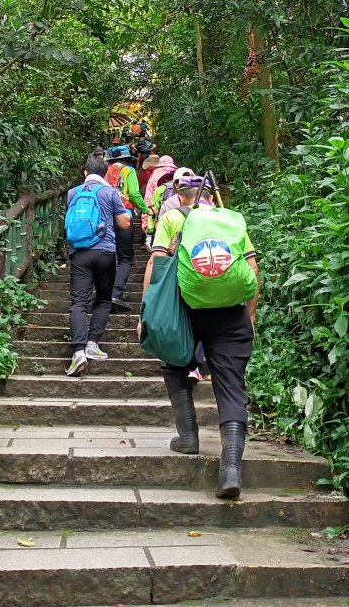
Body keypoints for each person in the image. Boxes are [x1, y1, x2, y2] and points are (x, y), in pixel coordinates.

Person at [141, 175, 260, 500]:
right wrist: (249, 315)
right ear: (211, 195)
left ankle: (189, 437)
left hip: (185, 310)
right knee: (231, 386)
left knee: (174, 364)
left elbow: (157, 263)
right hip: (231, 312)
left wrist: (146, 313)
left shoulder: (172, 218)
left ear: (180, 195)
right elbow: (251, 268)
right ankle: (231, 468)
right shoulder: (227, 221)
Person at [65, 155, 131, 376]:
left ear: (85, 172)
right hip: (105, 252)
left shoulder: (72, 193)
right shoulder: (110, 192)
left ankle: (78, 352)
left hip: (79, 253)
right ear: (105, 174)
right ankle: (93, 344)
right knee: (103, 299)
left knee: (79, 302)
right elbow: (124, 223)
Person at [105, 145, 149, 311]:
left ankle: (104, 294)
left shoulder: (104, 171)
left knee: (108, 255)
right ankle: (116, 294)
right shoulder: (129, 171)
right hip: (124, 216)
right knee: (125, 257)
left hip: (104, 219)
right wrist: (146, 210)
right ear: (126, 158)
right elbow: (134, 194)